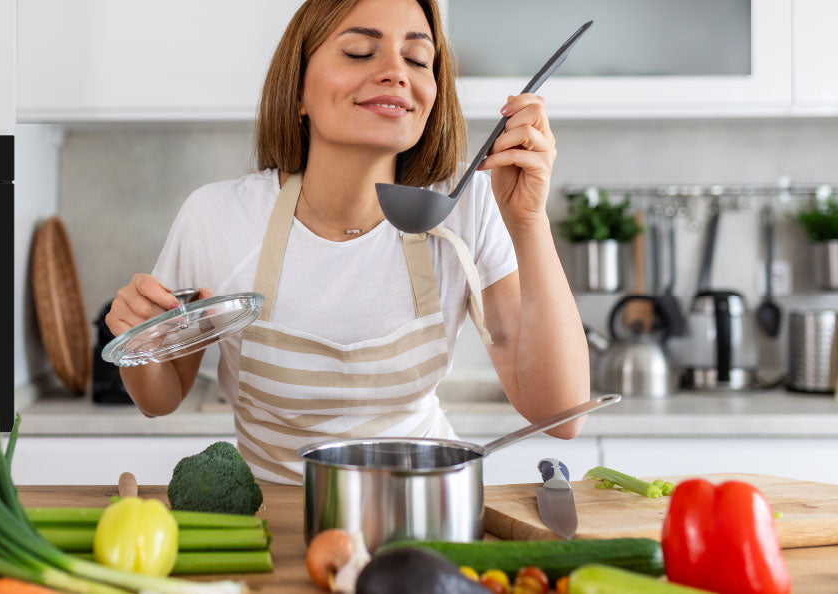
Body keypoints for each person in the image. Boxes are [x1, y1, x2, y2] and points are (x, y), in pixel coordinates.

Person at [107, 0, 588, 484]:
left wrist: (528, 220)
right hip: (273, 516)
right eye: (360, 51)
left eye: (418, 60)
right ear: (298, 90)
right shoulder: (217, 217)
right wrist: (137, 338)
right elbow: (161, 398)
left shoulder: (469, 207)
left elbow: (562, 415)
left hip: (424, 505)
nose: (396, 72)